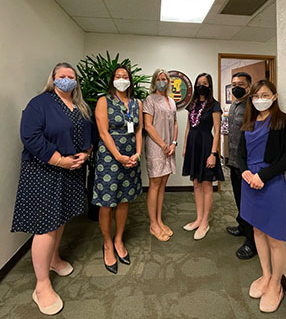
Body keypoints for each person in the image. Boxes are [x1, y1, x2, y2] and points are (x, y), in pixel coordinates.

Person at [11, 62, 93, 315]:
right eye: (62, 76)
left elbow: (90, 136)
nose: (67, 80)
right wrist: (59, 159)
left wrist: (85, 154)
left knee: (60, 220)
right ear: (53, 79)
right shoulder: (40, 104)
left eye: (71, 77)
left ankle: (54, 259)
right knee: (45, 226)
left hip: (71, 172)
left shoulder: (80, 107)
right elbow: (31, 137)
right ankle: (41, 284)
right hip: (45, 171)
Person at [238, 80, 286, 313]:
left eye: (264, 94)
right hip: (249, 182)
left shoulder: (283, 122)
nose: (259, 98)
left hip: (270, 182)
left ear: (274, 96)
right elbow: (241, 153)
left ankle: (276, 284)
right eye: (255, 95)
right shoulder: (249, 122)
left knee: (274, 237)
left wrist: (263, 175)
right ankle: (265, 274)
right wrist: (244, 171)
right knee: (257, 231)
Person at [93, 64, 143, 274]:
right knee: (107, 202)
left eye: (125, 76)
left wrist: (138, 154)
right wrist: (118, 156)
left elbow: (139, 130)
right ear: (112, 80)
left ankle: (119, 240)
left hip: (131, 156)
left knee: (123, 199)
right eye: (118, 76)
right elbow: (104, 133)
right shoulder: (104, 101)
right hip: (110, 158)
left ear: (130, 80)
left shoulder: (136, 103)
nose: (121, 79)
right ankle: (107, 243)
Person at [182, 73, 224, 240]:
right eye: (199, 83)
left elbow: (217, 131)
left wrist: (213, 154)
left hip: (206, 147)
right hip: (193, 148)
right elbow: (187, 128)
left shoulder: (214, 105)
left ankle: (205, 221)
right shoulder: (192, 104)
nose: (201, 86)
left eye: (204, 83)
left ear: (209, 85)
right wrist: (185, 147)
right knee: (196, 183)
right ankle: (198, 218)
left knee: (206, 185)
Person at [143, 68, 178, 242]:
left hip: (169, 147)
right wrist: (163, 144)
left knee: (163, 183)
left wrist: (173, 143)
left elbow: (176, 123)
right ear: (154, 81)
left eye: (165, 78)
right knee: (155, 184)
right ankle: (153, 224)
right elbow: (148, 126)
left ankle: (159, 220)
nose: (162, 81)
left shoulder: (171, 101)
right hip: (156, 146)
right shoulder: (150, 100)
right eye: (159, 78)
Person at [225, 72, 257, 260]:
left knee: (249, 201)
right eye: (233, 83)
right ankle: (242, 226)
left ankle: (252, 242)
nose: (236, 87)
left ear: (249, 86)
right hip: (234, 161)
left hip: (247, 163)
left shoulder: (252, 107)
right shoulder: (235, 104)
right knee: (239, 198)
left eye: (241, 84)